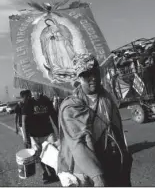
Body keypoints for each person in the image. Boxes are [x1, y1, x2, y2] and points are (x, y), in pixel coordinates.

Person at [57, 53, 133, 186]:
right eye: (86, 75)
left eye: (95, 72)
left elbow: (116, 127)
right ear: (79, 78)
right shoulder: (71, 106)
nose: (93, 77)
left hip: (111, 158)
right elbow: (78, 144)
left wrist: (125, 154)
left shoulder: (106, 96)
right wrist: (97, 176)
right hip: (87, 167)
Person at [21, 89, 59, 184]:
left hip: (48, 133)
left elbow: (54, 116)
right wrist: (26, 138)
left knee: (53, 153)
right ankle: (45, 172)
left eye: (39, 91)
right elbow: (24, 121)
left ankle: (54, 173)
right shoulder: (29, 103)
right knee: (39, 156)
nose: (38, 93)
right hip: (35, 135)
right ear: (32, 92)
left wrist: (60, 130)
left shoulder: (46, 100)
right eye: (35, 91)